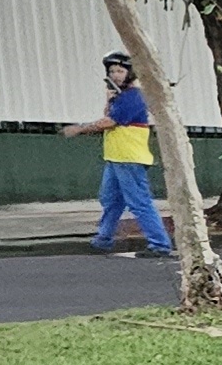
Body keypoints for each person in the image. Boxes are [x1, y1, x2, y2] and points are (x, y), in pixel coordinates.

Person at [67, 53, 168, 256]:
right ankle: (103, 239)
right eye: (112, 71)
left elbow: (110, 122)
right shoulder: (120, 97)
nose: (115, 75)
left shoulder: (133, 97)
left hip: (129, 158)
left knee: (139, 202)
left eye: (120, 71)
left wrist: (80, 128)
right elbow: (109, 116)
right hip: (115, 158)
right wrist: (108, 100)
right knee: (111, 200)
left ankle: (160, 244)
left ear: (130, 73)